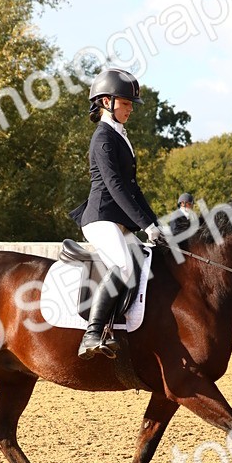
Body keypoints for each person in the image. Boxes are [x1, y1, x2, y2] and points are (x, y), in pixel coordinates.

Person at [69, 69, 163, 358]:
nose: (131, 108)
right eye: (126, 102)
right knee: (122, 266)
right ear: (107, 101)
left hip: (118, 220)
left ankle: (121, 329)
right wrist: (144, 224)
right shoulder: (103, 138)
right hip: (100, 218)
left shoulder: (119, 135)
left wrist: (156, 225)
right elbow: (115, 186)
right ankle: (92, 333)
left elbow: (133, 189)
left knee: (148, 265)